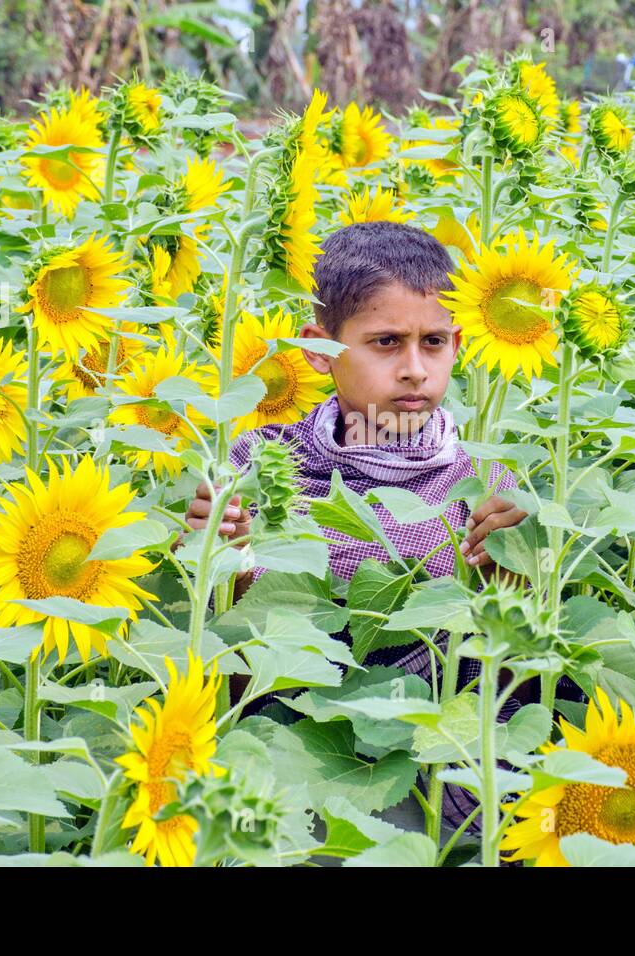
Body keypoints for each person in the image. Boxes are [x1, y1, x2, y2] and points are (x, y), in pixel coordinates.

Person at [178, 220, 533, 835]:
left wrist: (514, 573)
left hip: (440, 776)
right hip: (293, 768)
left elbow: (509, 688)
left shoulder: (483, 480)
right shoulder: (261, 464)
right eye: (386, 342)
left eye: (435, 342)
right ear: (321, 348)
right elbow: (236, 670)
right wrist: (222, 557)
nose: (416, 370)